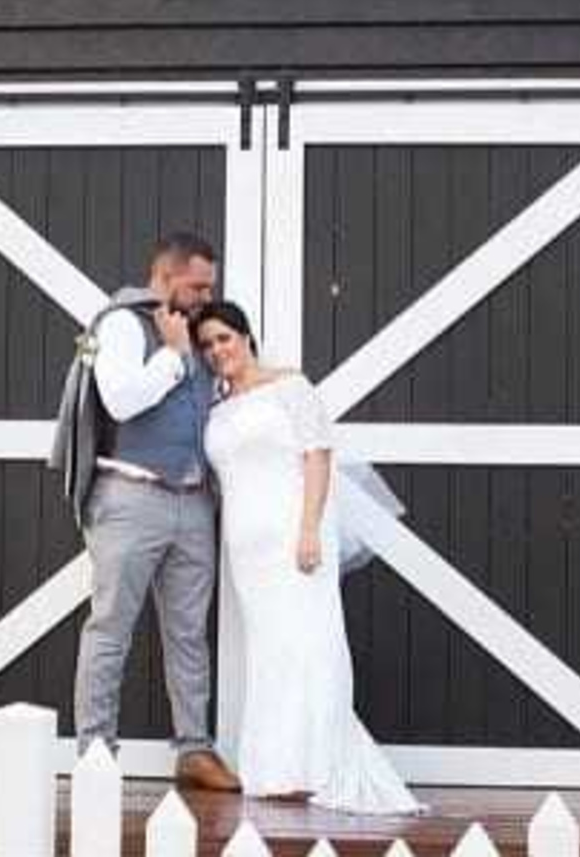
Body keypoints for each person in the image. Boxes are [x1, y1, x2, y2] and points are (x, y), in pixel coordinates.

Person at [192, 300, 423, 814]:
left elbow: (318, 454)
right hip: (245, 549)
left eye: (224, 339)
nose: (216, 351)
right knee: (271, 650)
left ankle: (320, 764)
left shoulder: (290, 388)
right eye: (207, 345)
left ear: (247, 337)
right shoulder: (217, 406)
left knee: (310, 643)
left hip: (293, 536)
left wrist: (310, 528)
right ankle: (277, 769)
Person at [68, 230, 241, 792]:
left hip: (193, 503)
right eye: (197, 285)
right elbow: (120, 399)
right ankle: (96, 750)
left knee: (190, 633)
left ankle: (194, 748)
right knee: (110, 627)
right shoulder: (123, 325)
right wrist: (172, 356)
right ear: (164, 278)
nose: (206, 294)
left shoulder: (201, 335)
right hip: (131, 498)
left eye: (210, 285)